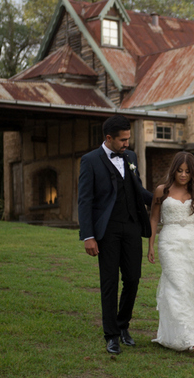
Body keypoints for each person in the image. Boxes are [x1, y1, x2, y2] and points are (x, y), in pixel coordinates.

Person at [78, 115, 153, 355]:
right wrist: (88, 236)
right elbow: (85, 200)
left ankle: (123, 326)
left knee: (132, 279)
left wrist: (165, 196)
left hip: (132, 227)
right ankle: (111, 335)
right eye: (122, 140)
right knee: (109, 282)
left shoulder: (130, 157)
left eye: (128, 138)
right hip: (107, 231)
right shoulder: (89, 161)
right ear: (108, 138)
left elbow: (138, 190)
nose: (127, 144)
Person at [147, 151, 194, 352]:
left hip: (191, 244)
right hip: (169, 242)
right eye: (179, 170)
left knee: (189, 288)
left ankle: (187, 334)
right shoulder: (162, 191)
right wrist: (151, 244)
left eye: (187, 171)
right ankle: (188, 338)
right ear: (174, 170)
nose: (183, 175)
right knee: (176, 285)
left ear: (193, 173)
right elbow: (153, 218)